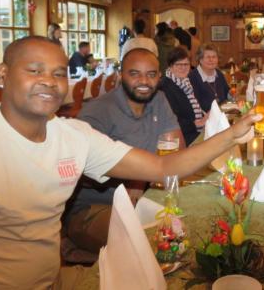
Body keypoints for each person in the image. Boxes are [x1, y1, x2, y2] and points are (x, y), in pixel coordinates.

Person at [0, 36, 261, 289]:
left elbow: (162, 167)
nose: (49, 81)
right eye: (34, 70)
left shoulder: (73, 136)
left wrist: (231, 135)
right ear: (2, 73)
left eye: (58, 73)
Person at [63, 46, 186, 254]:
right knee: (158, 242)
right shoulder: (98, 111)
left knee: (185, 227)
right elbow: (80, 170)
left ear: (159, 76)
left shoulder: (159, 99)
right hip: (94, 209)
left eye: (151, 74)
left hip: (146, 200)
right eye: (134, 74)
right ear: (120, 75)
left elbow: (177, 150)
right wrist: (137, 177)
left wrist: (140, 179)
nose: (144, 81)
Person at [159, 46, 208, 146]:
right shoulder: (165, 87)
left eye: (186, 64)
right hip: (178, 140)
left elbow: (192, 110)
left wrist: (205, 116)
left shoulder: (186, 83)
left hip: (192, 133)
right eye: (178, 64)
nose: (183, 68)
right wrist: (196, 124)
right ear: (170, 66)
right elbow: (170, 120)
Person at [189, 43, 229, 112]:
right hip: (204, 116)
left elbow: (226, 94)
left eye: (214, 57)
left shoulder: (219, 74)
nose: (211, 60)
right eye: (208, 57)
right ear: (200, 59)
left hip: (222, 114)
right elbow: (194, 106)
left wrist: (231, 94)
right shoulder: (192, 77)